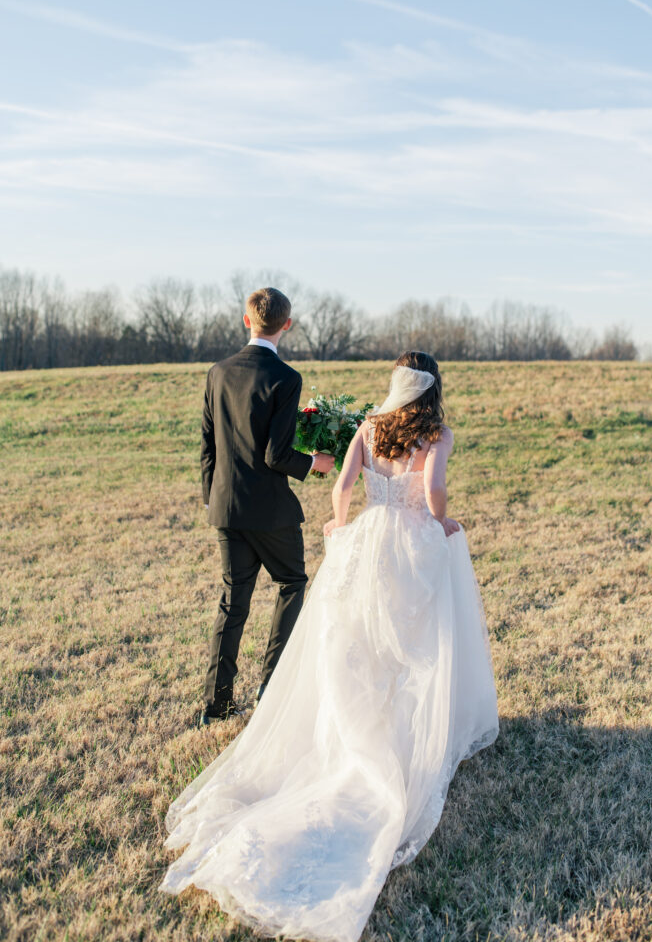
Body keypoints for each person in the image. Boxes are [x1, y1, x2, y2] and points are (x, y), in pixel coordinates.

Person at [161, 350, 499, 942]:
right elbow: (435, 488)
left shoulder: (369, 427)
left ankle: (359, 730)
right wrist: (441, 524)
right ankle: (401, 735)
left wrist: (341, 526)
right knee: (415, 650)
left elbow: (343, 487)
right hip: (414, 545)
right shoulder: (437, 432)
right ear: (433, 388)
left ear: (395, 384)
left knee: (360, 646)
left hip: (368, 543)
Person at [198, 286, 334, 726]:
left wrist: (212, 501)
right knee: (293, 582)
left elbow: (206, 448)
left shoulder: (217, 372)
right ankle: (270, 687)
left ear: (246, 320)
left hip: (225, 507)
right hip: (271, 512)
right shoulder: (286, 378)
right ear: (287, 326)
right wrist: (316, 462)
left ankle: (216, 706)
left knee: (232, 603)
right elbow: (277, 455)